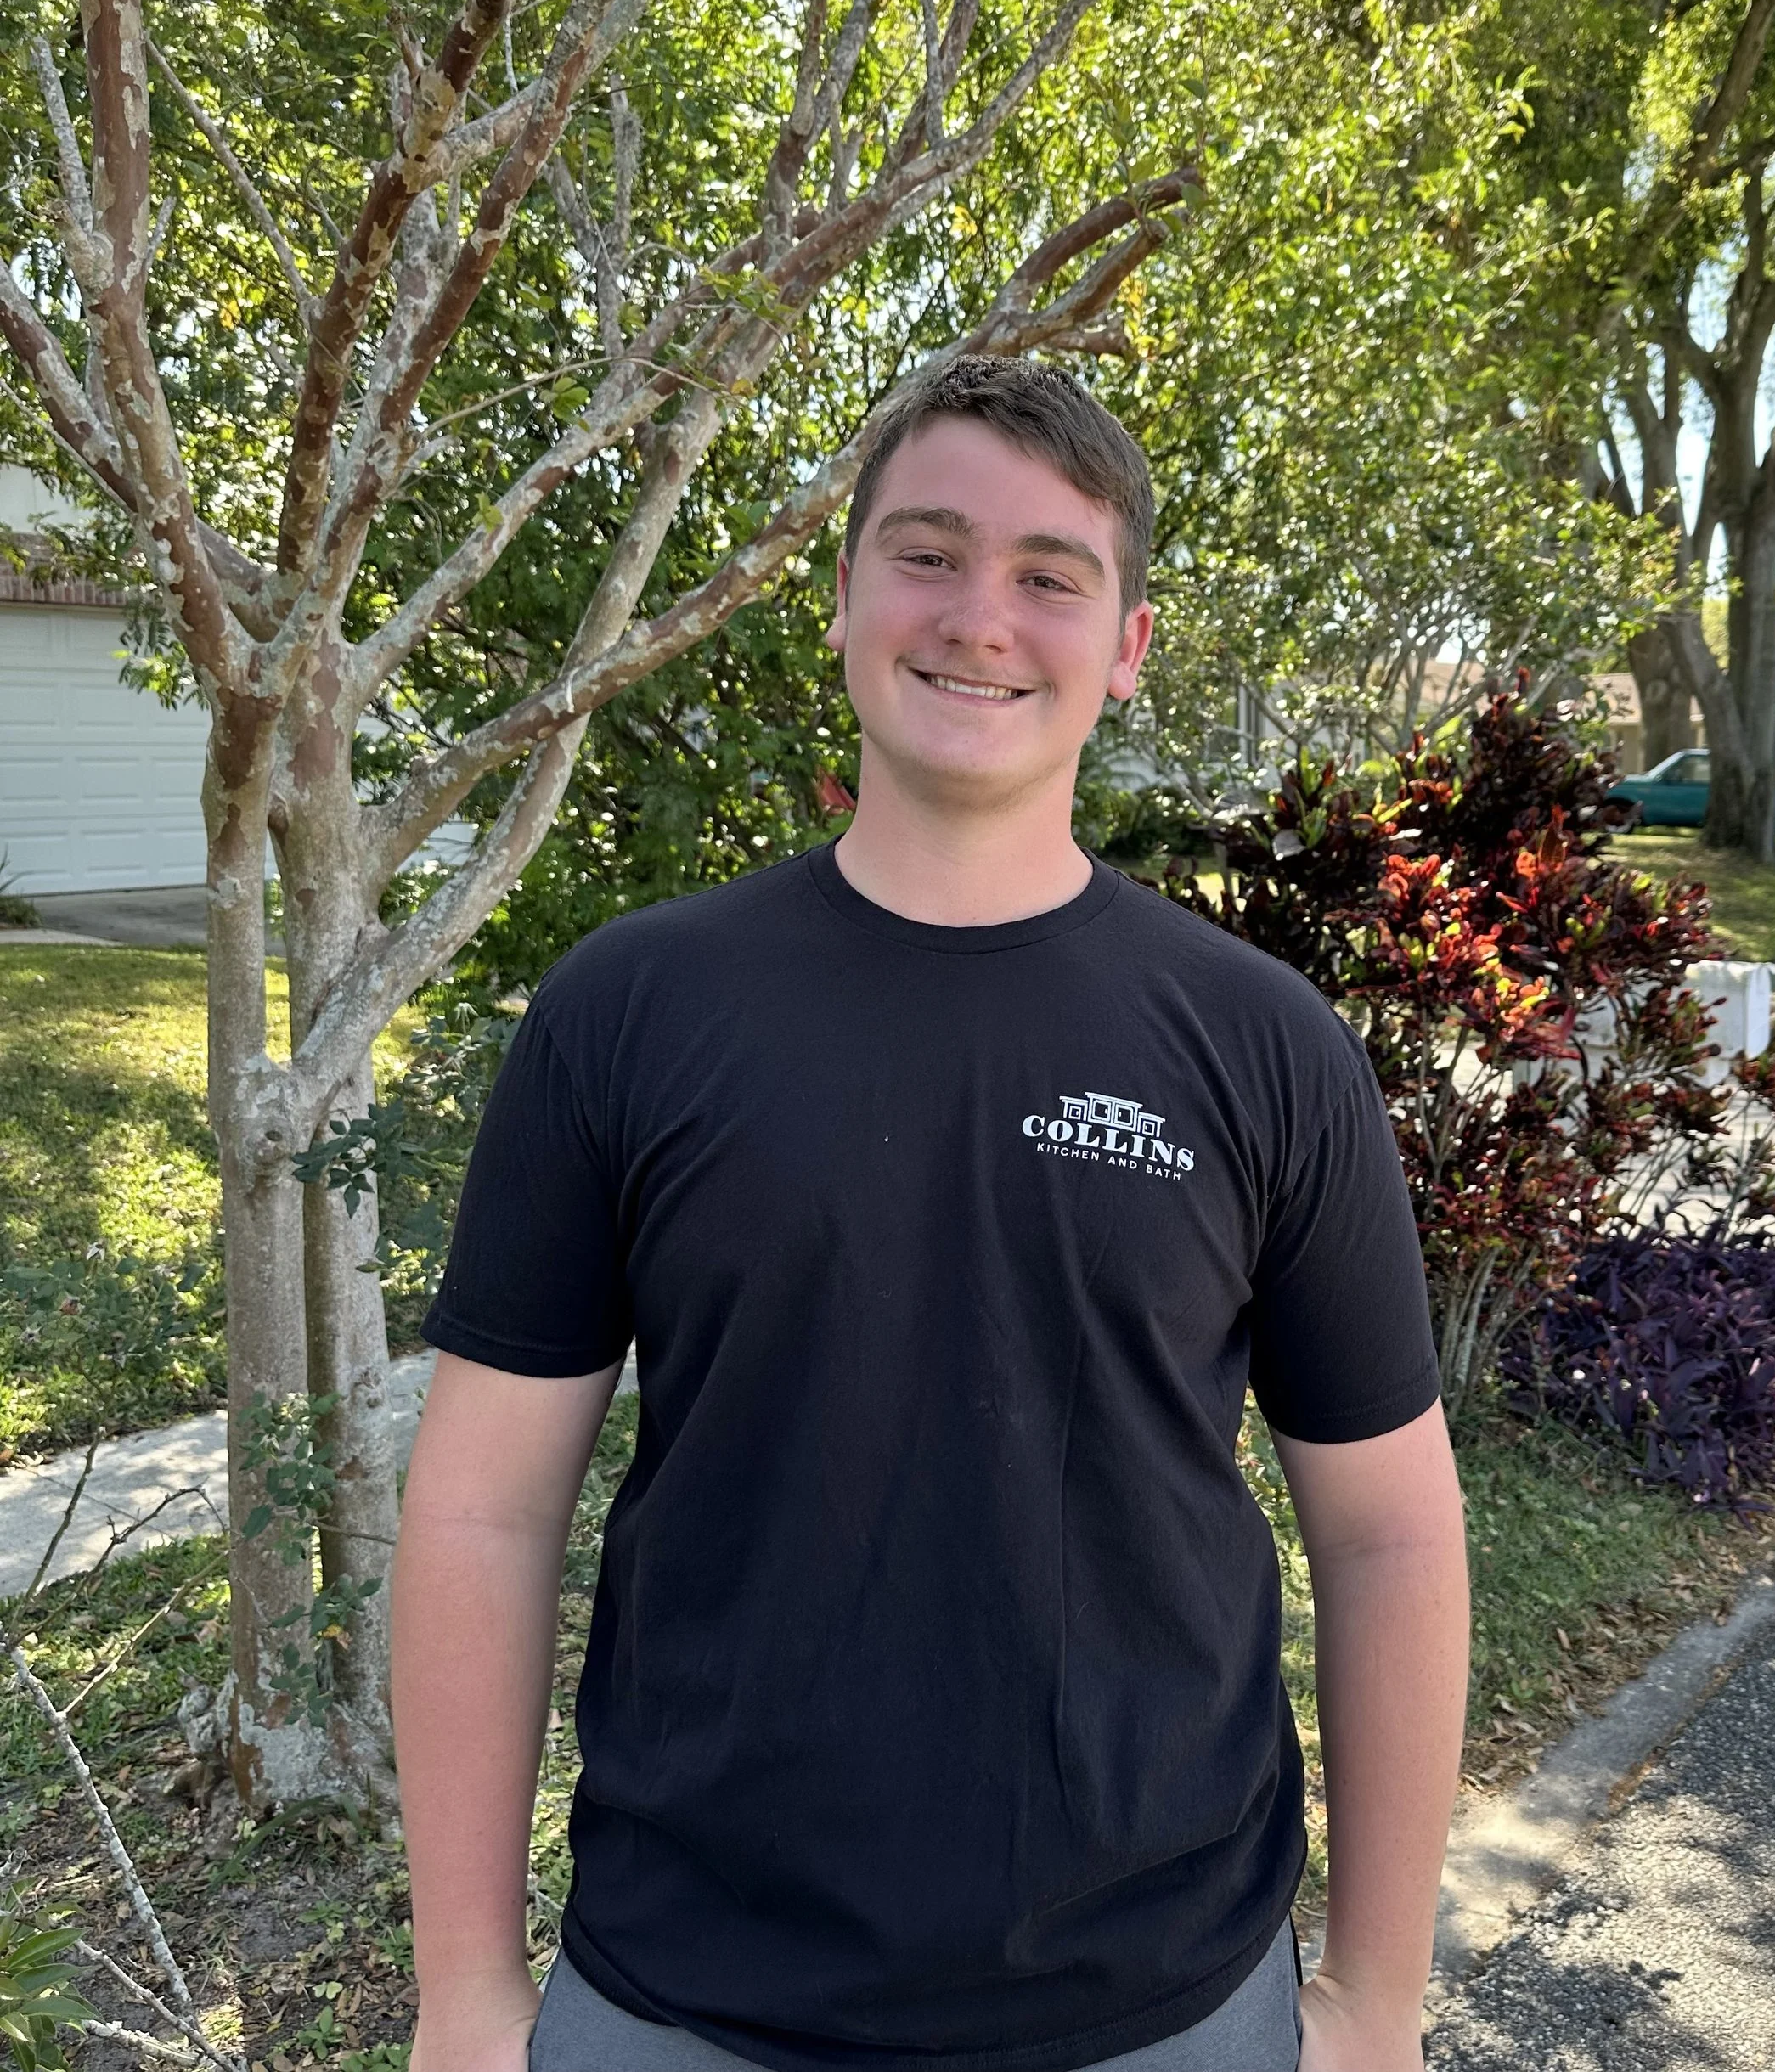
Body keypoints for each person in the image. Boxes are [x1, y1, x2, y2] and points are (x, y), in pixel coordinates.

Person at [393, 356, 1470, 2072]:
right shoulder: (630, 1010)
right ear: (839, 597)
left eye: (1050, 573)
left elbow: (1388, 1530)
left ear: (1121, 646)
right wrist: (463, 1993)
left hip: (1162, 1997)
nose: (981, 616)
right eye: (926, 552)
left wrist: (1377, 2001)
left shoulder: (1262, 1047)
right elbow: (476, 1511)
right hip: (680, 1991)